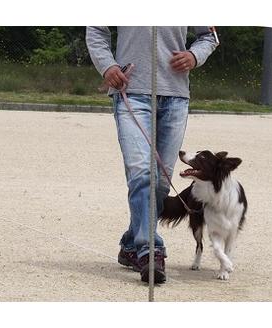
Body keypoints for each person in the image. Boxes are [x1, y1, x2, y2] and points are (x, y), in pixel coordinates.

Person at [86, 26, 217, 283]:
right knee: (142, 172)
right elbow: (96, 29)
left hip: (175, 96)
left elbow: (209, 35)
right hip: (131, 91)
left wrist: (194, 55)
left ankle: (130, 244)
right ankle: (149, 249)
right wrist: (107, 66)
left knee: (159, 180)